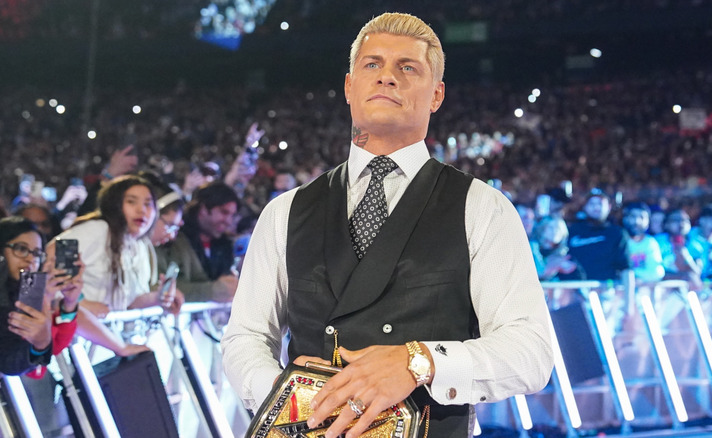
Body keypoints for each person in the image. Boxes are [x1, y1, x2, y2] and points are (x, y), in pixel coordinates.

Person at [222, 12, 553, 437]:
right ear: (348, 87)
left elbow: (531, 352)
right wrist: (284, 393)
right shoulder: (284, 211)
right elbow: (245, 338)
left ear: (436, 95)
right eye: (372, 65)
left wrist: (420, 362)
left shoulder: (481, 207)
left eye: (407, 67)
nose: (386, 78)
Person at [53, 175, 178, 355]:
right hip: (73, 343)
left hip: (104, 346)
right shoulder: (97, 230)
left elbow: (130, 302)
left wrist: (158, 297)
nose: (142, 210)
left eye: (148, 204)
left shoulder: (140, 246)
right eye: (131, 202)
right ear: (114, 204)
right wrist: (81, 303)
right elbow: (51, 258)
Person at [0, 217, 83, 375]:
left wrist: (70, 304)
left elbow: (54, 348)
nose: (31, 259)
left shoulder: (29, 292)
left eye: (37, 253)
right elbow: (10, 361)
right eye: (21, 249)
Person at [156, 181, 240, 302]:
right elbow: (162, 286)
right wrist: (211, 291)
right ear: (203, 209)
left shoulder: (225, 246)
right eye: (224, 212)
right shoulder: (171, 239)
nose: (228, 221)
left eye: (232, 215)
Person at [567, 189, 630, 281]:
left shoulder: (617, 233)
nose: (596, 207)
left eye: (600, 204)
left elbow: (625, 267)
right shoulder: (572, 231)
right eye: (592, 204)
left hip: (606, 290)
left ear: (609, 207)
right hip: (574, 289)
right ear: (584, 207)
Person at [622, 202, 664, 283]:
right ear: (625, 219)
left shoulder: (650, 243)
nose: (637, 221)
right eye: (632, 216)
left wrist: (631, 276)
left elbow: (657, 273)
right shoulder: (619, 241)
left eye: (641, 217)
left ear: (648, 222)